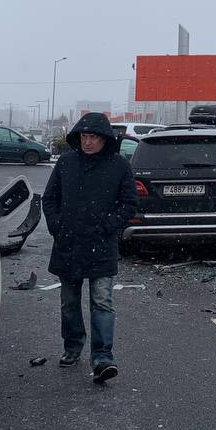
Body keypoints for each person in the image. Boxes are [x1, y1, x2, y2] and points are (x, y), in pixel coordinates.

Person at [41, 113, 138, 382]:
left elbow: (129, 203)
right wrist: (57, 226)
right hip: (68, 244)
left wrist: (108, 225)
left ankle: (103, 356)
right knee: (69, 303)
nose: (87, 141)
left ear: (105, 139)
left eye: (92, 136)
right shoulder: (66, 162)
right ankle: (72, 347)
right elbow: (49, 199)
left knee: (102, 302)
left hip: (100, 246)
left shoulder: (118, 165)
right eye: (84, 136)